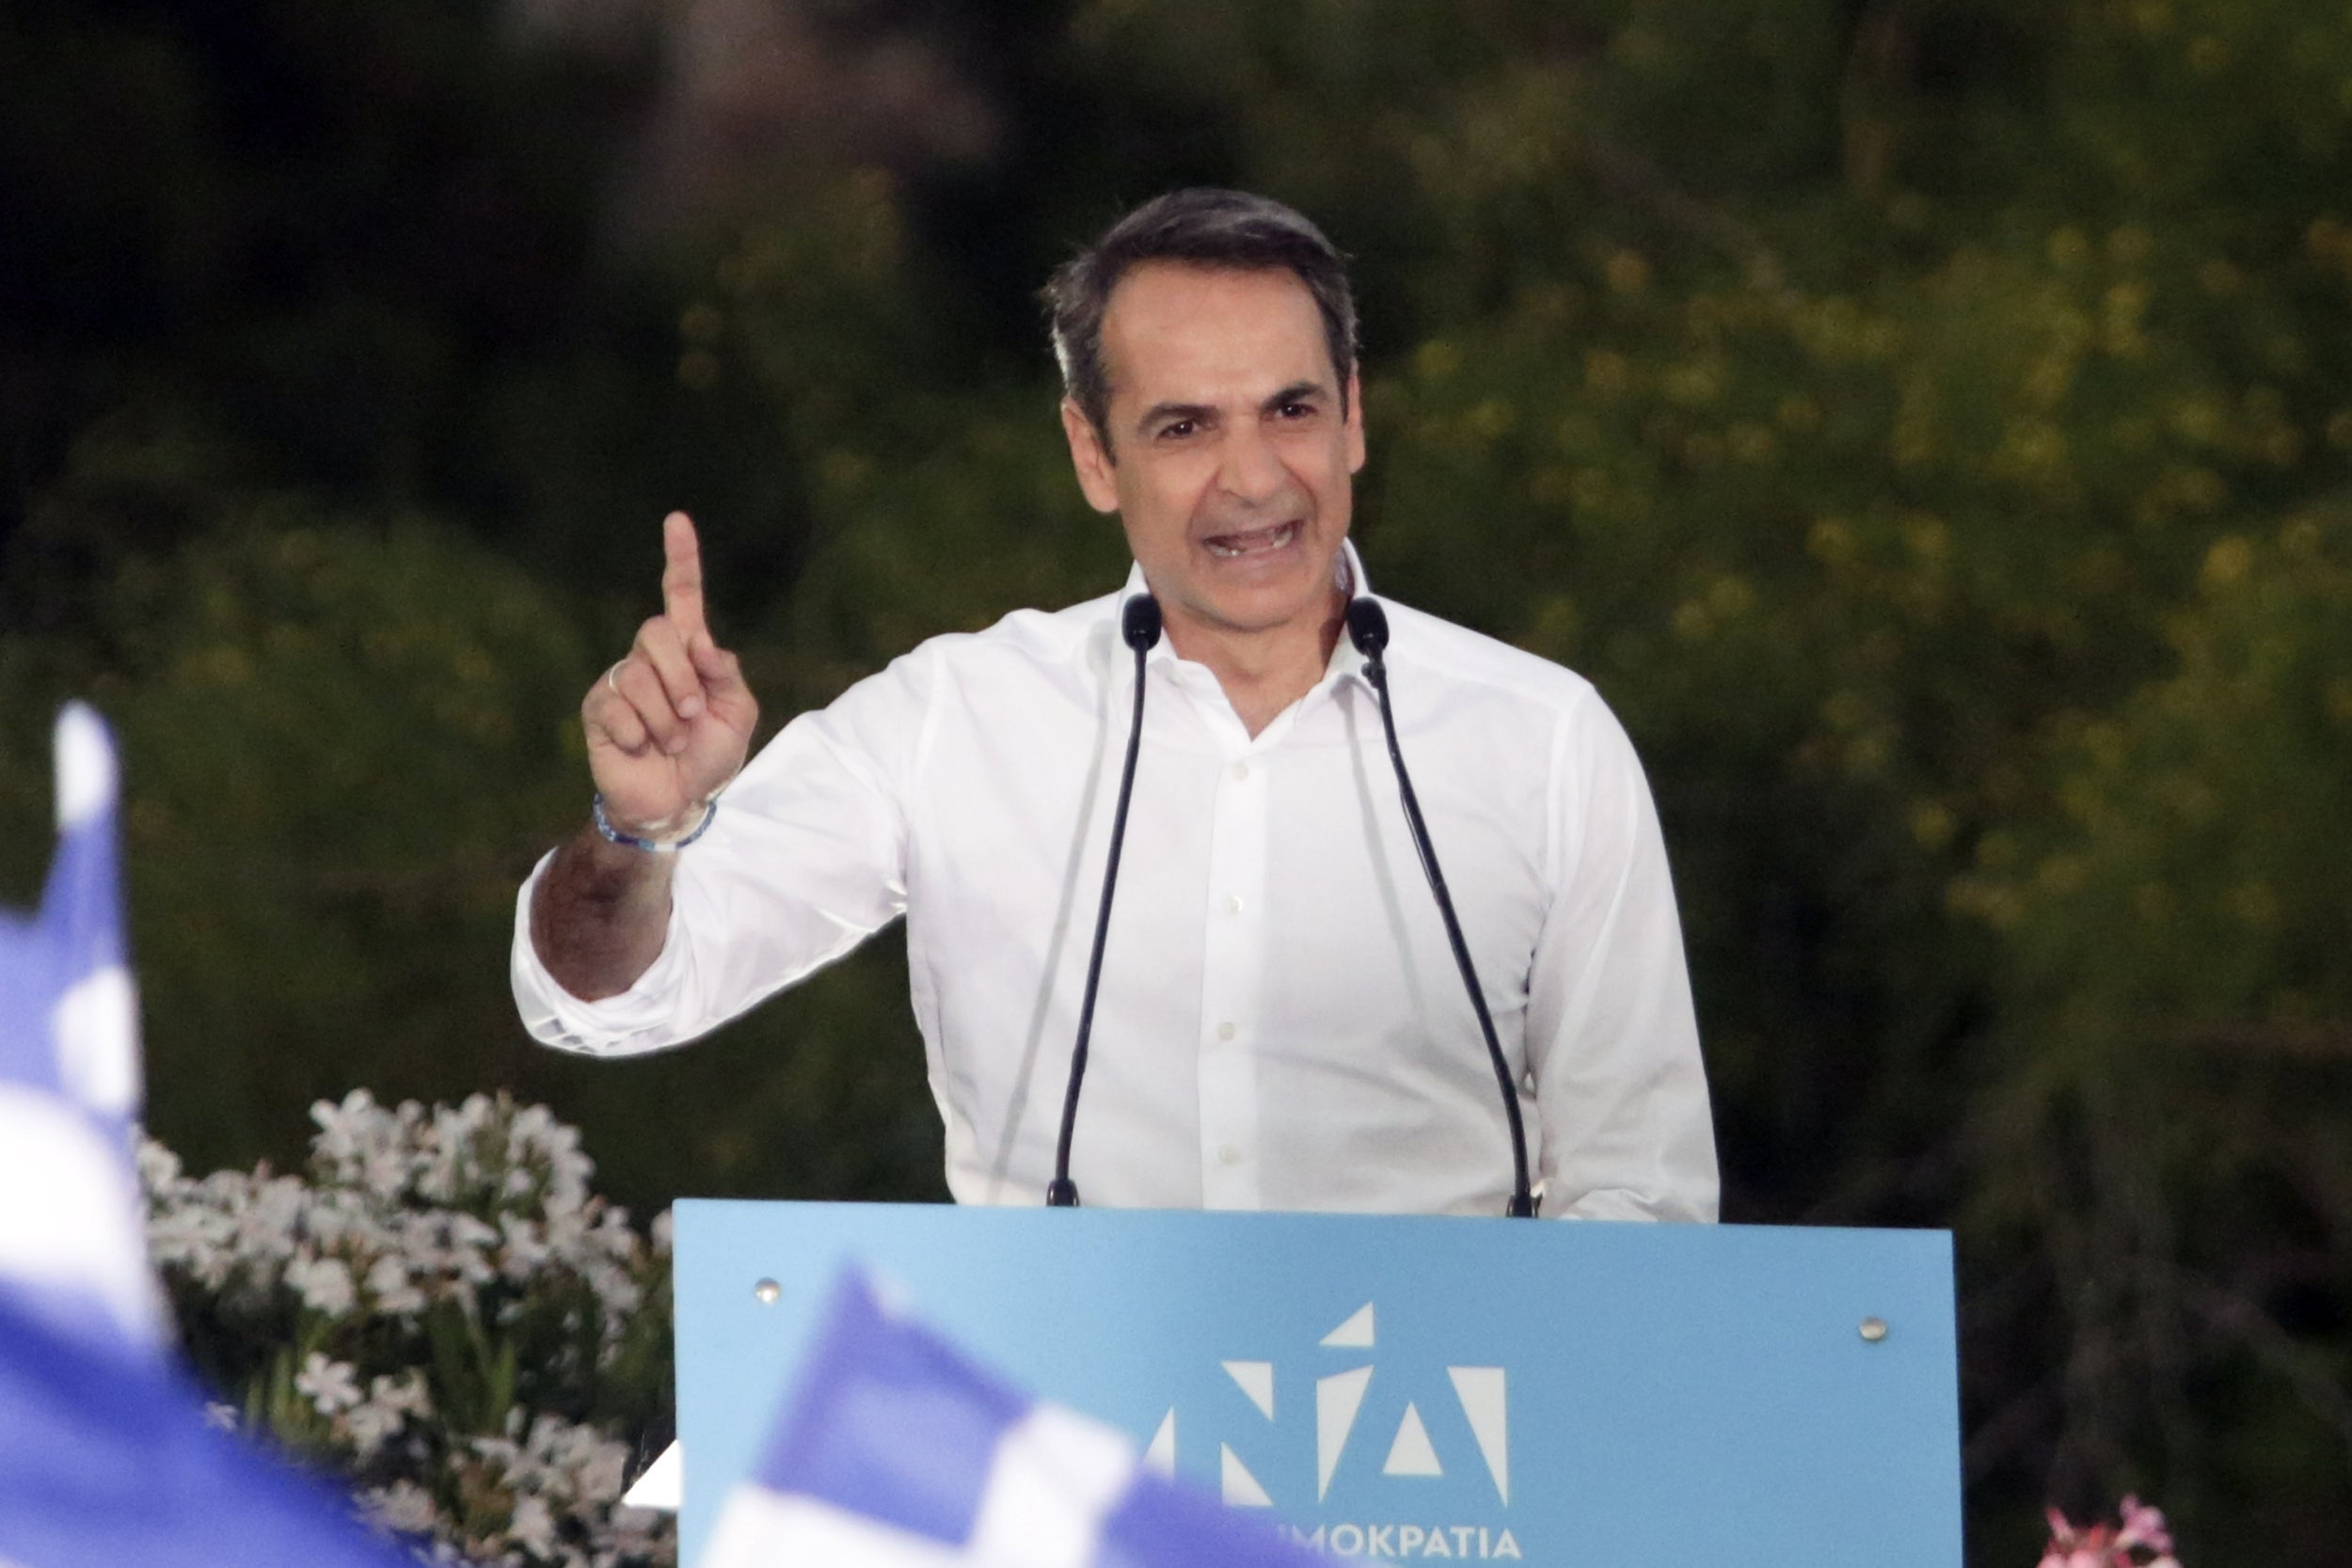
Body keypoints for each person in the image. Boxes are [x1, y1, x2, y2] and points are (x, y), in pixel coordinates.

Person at [512, 189, 1717, 1220]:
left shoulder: (1542, 738)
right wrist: (637, 832)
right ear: (1094, 455)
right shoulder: (955, 717)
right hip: (1065, 1467)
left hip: (1439, 1468)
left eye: (1289, 410)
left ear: (1353, 414)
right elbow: (603, 1003)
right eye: (1184, 426)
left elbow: (1642, 1194)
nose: (1253, 479)